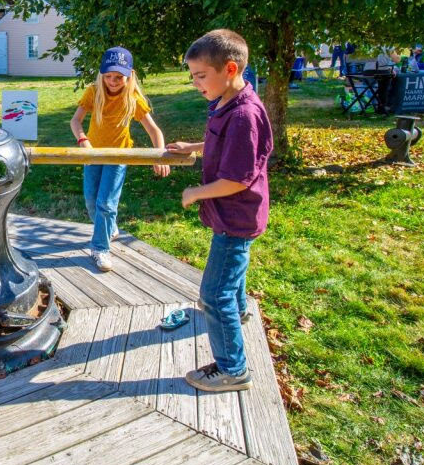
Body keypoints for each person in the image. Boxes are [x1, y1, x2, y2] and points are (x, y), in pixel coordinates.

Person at [167, 30, 273, 393]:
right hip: (230, 214)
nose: (196, 84)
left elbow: (237, 179)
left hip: (236, 214)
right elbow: (220, 141)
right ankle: (240, 312)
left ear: (229, 68)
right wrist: (193, 145)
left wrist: (196, 192)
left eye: (200, 76)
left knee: (214, 295)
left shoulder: (244, 114)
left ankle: (233, 368)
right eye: (193, 76)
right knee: (232, 279)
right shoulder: (227, 100)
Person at [70, 46, 169, 272]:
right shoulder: (94, 92)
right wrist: (83, 140)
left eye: (118, 77)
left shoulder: (132, 97)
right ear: (101, 74)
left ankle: (100, 248)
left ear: (129, 75)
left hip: (119, 156)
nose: (113, 81)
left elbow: (154, 130)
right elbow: (75, 121)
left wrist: (160, 156)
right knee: (91, 201)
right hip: (93, 155)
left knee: (106, 203)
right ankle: (110, 227)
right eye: (108, 76)